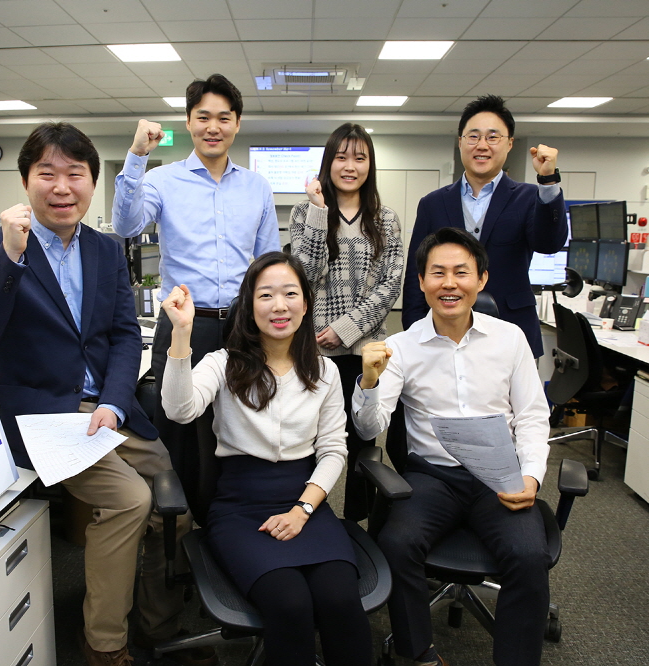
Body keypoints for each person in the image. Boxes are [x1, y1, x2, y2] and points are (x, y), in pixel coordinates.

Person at [0, 122, 209, 666]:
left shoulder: (105, 249)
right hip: (46, 420)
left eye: (75, 174)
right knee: (130, 500)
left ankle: (157, 627)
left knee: (173, 503)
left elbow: (122, 335)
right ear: (25, 181)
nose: (61, 187)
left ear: (93, 182)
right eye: (47, 174)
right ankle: (104, 644)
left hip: (107, 411)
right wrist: (10, 258)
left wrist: (115, 403)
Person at [161, 252, 372, 666]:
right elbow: (179, 410)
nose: (279, 306)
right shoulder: (222, 364)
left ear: (306, 304)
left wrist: (302, 509)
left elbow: (333, 450)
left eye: (290, 294)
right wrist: (181, 334)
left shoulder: (325, 372)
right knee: (289, 602)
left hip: (306, 502)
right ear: (249, 305)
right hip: (240, 508)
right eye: (266, 295)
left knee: (340, 598)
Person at [354, 228, 551, 666]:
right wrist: (368, 380)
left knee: (528, 555)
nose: (449, 283)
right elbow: (369, 427)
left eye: (461, 272)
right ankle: (418, 653)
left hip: (499, 475)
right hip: (433, 478)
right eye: (437, 273)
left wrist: (532, 476)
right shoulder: (400, 347)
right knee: (397, 543)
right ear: (421, 282)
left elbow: (533, 416)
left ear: (481, 279)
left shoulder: (510, 338)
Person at [112, 73, 280, 494]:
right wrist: (137, 155)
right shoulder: (162, 180)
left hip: (243, 326)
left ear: (237, 123)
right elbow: (126, 225)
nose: (213, 127)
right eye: (203, 117)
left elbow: (269, 266)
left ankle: (233, 513)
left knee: (244, 422)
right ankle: (181, 521)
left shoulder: (257, 187)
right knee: (180, 432)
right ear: (188, 122)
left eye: (223, 118)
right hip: (184, 325)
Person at [290, 122, 404, 521]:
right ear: (328, 162)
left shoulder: (385, 219)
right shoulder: (305, 212)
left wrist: (346, 328)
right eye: (341, 157)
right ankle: (304, 516)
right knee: (309, 438)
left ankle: (357, 525)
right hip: (315, 350)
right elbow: (304, 274)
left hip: (364, 352)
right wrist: (319, 212)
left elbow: (391, 284)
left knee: (361, 444)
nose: (350, 166)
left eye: (360, 158)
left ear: (370, 165)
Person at [401, 94, 568, 359]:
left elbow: (549, 244)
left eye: (493, 137)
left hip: (511, 327)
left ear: (509, 143)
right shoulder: (433, 203)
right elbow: (416, 272)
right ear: (460, 142)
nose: (482, 145)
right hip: (444, 329)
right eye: (473, 136)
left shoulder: (528, 197)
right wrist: (413, 329)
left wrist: (548, 182)